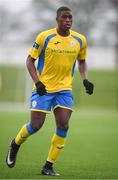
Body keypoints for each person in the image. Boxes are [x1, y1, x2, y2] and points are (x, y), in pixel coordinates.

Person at [6, 6, 94, 176]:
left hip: (64, 90)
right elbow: (30, 60)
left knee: (64, 124)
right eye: (64, 17)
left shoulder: (80, 40)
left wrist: (85, 79)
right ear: (57, 19)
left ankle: (48, 166)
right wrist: (38, 82)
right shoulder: (45, 36)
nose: (68, 20)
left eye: (70, 17)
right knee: (36, 125)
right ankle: (15, 143)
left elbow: (82, 61)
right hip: (43, 88)